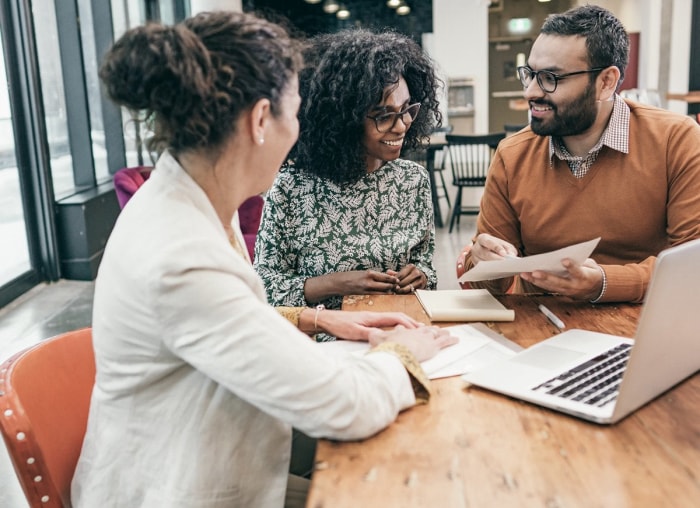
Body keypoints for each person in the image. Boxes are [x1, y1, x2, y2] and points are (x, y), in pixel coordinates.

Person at [71, 12, 456, 508]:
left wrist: (316, 318)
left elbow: (226, 319)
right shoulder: (180, 258)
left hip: (207, 454)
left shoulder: (194, 198)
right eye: (294, 113)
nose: (299, 132)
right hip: (176, 488)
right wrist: (405, 351)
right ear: (259, 121)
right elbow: (343, 405)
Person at [457, 4, 700, 304]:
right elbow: (488, 285)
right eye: (530, 74)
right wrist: (483, 263)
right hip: (540, 328)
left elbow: (693, 268)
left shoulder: (675, 141)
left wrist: (604, 283)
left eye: (550, 78)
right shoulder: (512, 155)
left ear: (606, 82)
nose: (531, 92)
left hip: (644, 326)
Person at [254, 28, 442, 315]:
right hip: (325, 338)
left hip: (399, 327)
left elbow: (425, 263)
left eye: (406, 110)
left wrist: (423, 275)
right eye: (383, 115)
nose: (402, 125)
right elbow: (264, 288)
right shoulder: (292, 188)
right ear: (343, 121)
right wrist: (334, 284)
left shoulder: (413, 181)